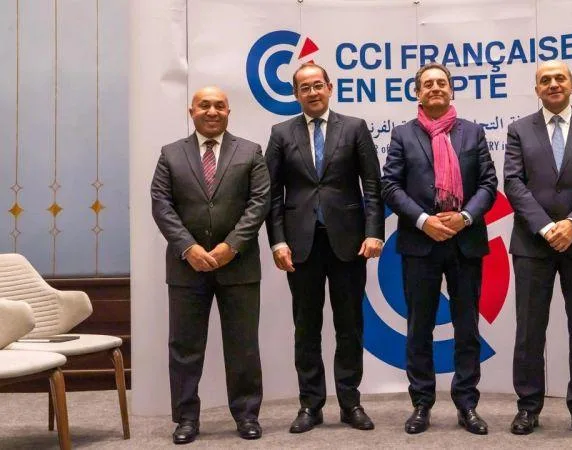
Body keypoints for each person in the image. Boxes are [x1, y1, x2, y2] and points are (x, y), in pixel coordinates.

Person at [265, 63, 384, 433]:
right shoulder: (281, 133)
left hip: (349, 243)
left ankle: (350, 403)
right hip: (300, 246)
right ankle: (310, 406)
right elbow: (270, 194)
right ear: (296, 94)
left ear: (330, 88)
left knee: (350, 326)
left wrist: (374, 232)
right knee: (307, 327)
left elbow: (373, 186)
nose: (312, 92)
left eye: (318, 85)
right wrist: (278, 240)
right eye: (304, 87)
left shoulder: (354, 128)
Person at [382, 62, 498, 435]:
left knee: (467, 328)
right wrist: (424, 221)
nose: (434, 88)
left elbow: (488, 184)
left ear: (451, 90)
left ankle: (467, 404)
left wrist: (464, 217)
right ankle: (421, 404)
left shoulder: (473, 134)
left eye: (441, 83)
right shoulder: (402, 135)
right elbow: (391, 187)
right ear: (417, 93)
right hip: (420, 243)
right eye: (427, 84)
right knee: (419, 329)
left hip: (465, 241)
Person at [151, 86, 270, 444]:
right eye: (205, 105)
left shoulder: (250, 151)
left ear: (229, 111)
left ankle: (247, 415)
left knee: (243, 346)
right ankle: (186, 419)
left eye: (219, 105)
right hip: (187, 268)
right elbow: (161, 204)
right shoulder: (170, 154)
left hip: (239, 266)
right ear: (193, 111)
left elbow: (259, 203)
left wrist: (230, 247)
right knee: (185, 347)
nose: (213, 111)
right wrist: (188, 247)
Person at [503, 60, 572, 438]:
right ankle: (528, 407)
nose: (553, 84)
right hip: (533, 244)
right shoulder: (519, 129)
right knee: (529, 330)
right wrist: (548, 227)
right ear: (536, 89)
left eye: (559, 78)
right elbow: (513, 184)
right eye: (544, 80)